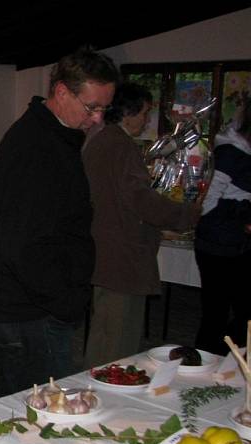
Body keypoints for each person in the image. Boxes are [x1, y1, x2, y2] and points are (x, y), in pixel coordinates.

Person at [0, 47, 119, 397]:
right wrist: (64, 300)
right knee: (41, 417)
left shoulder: (54, 137)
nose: (98, 118)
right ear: (61, 92)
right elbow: (22, 246)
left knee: (26, 410)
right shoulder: (35, 148)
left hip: (33, 308)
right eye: (92, 107)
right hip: (31, 313)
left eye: (105, 108)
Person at [83, 83, 200, 368]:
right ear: (127, 111)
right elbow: (140, 200)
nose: (147, 120)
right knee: (117, 342)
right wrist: (187, 214)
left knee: (105, 335)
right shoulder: (119, 145)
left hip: (108, 252)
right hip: (122, 257)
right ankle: (107, 397)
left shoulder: (102, 141)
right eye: (145, 113)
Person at [194, 100, 251, 355]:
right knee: (216, 314)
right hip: (216, 245)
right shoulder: (230, 153)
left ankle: (228, 364)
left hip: (237, 244)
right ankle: (204, 365)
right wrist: (242, 211)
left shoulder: (242, 152)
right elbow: (205, 204)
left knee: (242, 313)